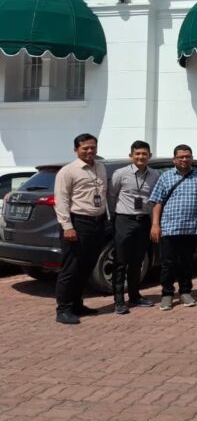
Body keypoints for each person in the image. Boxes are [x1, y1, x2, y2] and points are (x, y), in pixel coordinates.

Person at [53, 133, 108, 324]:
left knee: (86, 267)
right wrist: (67, 226)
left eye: (93, 147)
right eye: (85, 148)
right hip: (78, 223)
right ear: (76, 149)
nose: (90, 151)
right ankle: (63, 309)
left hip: (97, 223)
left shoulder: (100, 167)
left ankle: (77, 304)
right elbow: (61, 201)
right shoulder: (67, 171)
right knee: (71, 268)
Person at [149, 145, 197, 311]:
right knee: (168, 263)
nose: (184, 159)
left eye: (187, 156)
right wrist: (155, 224)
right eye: (181, 157)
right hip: (169, 227)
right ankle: (167, 294)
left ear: (192, 158)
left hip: (191, 227)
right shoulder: (165, 177)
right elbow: (157, 202)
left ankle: (185, 292)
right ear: (174, 159)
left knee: (187, 262)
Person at [107, 140, 159, 314]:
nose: (141, 157)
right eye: (137, 154)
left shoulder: (154, 175)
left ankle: (135, 296)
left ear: (150, 156)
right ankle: (119, 300)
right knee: (120, 261)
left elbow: (155, 199)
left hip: (143, 221)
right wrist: (115, 218)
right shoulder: (120, 174)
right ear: (131, 156)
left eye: (144, 154)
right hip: (124, 220)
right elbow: (112, 196)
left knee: (138, 261)